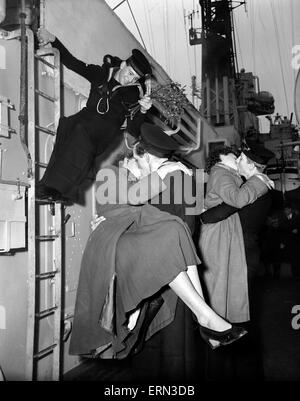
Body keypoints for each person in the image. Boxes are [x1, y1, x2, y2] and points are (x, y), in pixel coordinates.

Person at [69, 124, 247, 359]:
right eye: (146, 164)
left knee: (175, 228)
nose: (147, 170)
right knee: (169, 231)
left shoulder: (142, 179)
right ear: (135, 154)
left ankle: (205, 316)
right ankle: (205, 317)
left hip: (135, 235)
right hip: (112, 241)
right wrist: (162, 172)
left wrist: (182, 177)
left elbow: (155, 208)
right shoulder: (110, 173)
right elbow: (133, 198)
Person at [36, 28, 153, 202]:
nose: (130, 80)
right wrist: (53, 39)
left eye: (135, 78)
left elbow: (133, 129)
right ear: (122, 65)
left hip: (101, 135)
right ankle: (47, 186)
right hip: (84, 121)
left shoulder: (133, 95)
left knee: (80, 134)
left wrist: (143, 111)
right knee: (67, 126)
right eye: (129, 73)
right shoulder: (100, 75)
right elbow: (72, 63)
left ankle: (60, 190)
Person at [198, 146, 273, 325]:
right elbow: (225, 208)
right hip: (237, 249)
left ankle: (221, 335)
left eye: (241, 159)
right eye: (236, 157)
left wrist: (202, 215)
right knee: (232, 302)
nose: (238, 160)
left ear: (251, 165)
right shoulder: (248, 183)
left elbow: (220, 212)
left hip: (244, 252)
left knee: (237, 306)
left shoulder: (257, 185)